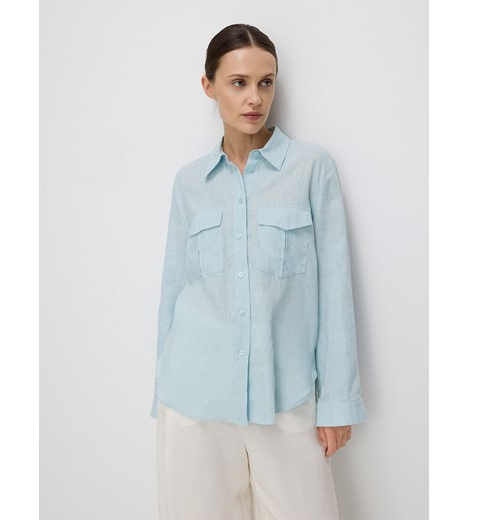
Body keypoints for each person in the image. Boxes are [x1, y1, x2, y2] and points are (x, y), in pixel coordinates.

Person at [150, 23, 367, 520]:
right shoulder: (189, 183)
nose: (255, 98)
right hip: (193, 399)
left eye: (265, 82)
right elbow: (174, 290)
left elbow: (335, 289)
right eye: (239, 82)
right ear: (209, 86)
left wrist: (337, 402)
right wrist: (160, 392)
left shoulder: (311, 167)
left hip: (285, 397)